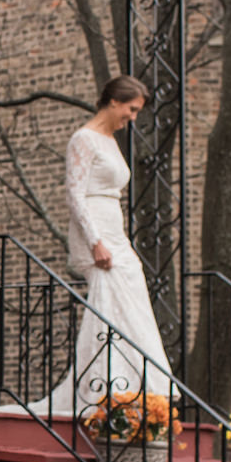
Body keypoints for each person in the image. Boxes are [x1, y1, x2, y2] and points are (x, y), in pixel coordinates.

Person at [30, 74, 173, 416]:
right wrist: (96, 242)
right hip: (96, 233)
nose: (133, 117)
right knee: (110, 308)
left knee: (132, 304)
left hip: (115, 230)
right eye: (131, 109)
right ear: (113, 102)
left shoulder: (110, 140)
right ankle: (103, 394)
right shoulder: (84, 139)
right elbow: (75, 193)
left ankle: (137, 393)